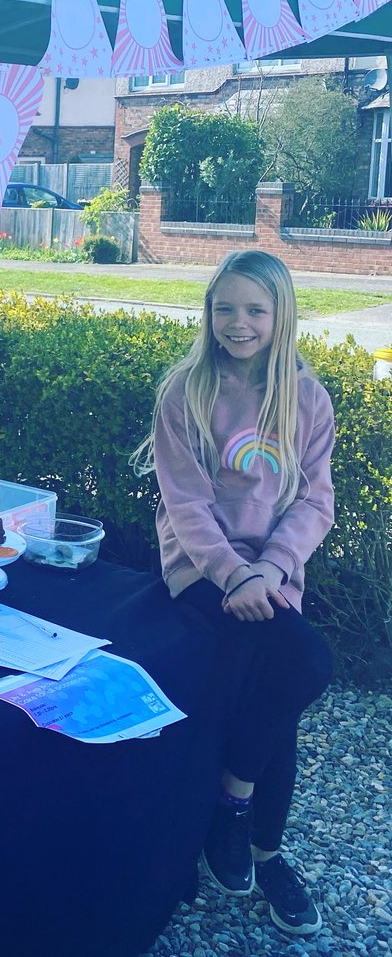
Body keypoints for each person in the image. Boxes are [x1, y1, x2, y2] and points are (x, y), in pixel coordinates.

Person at [132, 250, 334, 937]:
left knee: (283, 687)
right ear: (209, 312)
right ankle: (242, 827)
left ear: (281, 316)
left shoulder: (305, 397)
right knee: (298, 666)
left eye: (254, 310)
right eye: (226, 308)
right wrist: (235, 574)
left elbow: (315, 503)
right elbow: (186, 507)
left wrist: (273, 569)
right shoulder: (184, 392)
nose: (238, 323)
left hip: (273, 577)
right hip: (202, 571)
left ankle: (243, 821)